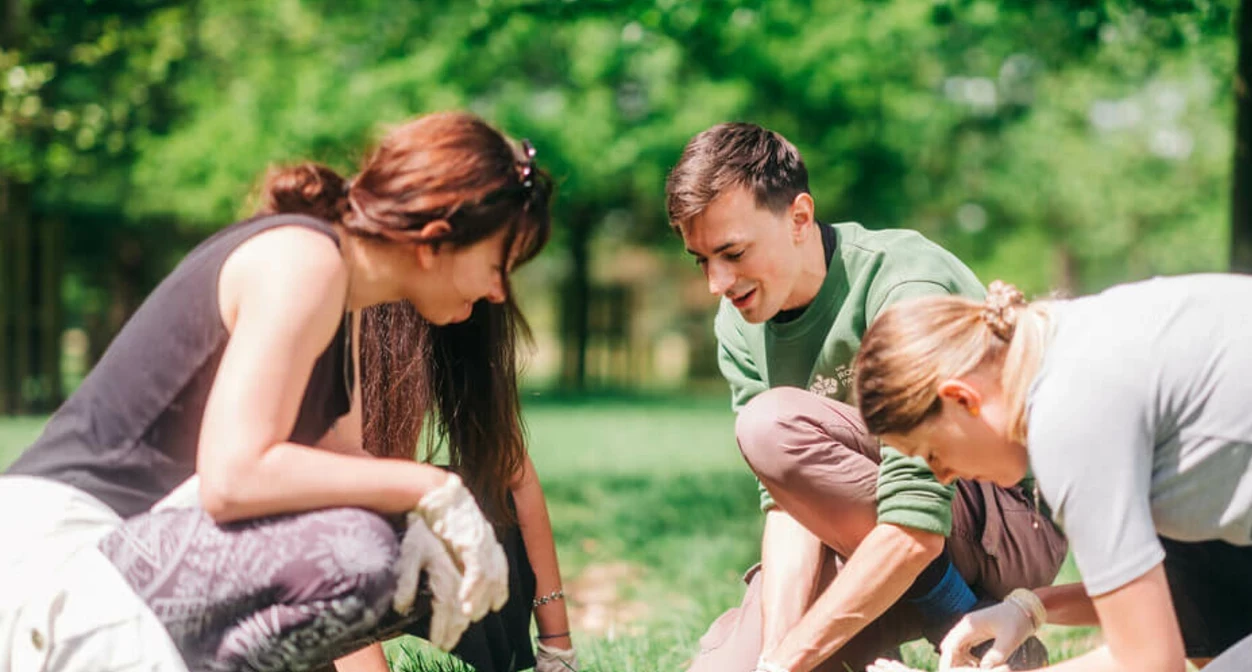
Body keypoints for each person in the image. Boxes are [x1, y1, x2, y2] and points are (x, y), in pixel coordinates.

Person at [0, 111, 576, 672]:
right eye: (501, 263)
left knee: (407, 543)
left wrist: (432, 515)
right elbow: (235, 477)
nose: (501, 291)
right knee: (361, 552)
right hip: (62, 571)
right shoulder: (303, 260)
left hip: (135, 564)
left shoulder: (341, 291)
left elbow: (341, 470)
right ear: (436, 241)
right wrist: (432, 487)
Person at [853, 274, 1252, 672]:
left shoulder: (1069, 414)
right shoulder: (1075, 334)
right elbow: (1150, 576)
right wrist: (1031, 608)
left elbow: (1150, 664)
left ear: (961, 398)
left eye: (933, 454)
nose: (946, 477)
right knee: (1169, 531)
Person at [665, 123, 1066, 672]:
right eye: (701, 259)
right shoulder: (739, 321)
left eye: (732, 252)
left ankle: (961, 620)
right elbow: (787, 501)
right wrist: (775, 656)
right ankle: (977, 635)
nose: (717, 281)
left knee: (770, 424)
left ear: (800, 218)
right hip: (869, 528)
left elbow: (917, 520)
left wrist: (794, 658)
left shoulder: (901, 284)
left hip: (1004, 517)